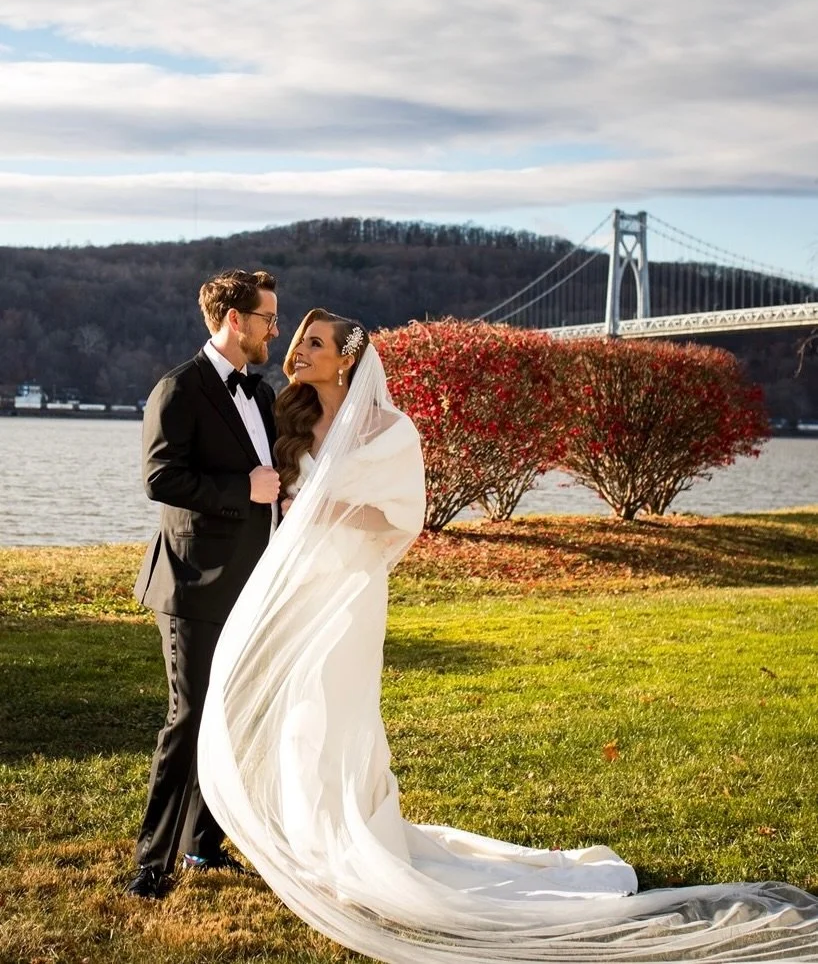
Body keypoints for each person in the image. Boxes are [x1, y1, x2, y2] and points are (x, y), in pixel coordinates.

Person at [197, 309, 818, 960]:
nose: (298, 352)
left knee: (339, 712)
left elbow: (400, 520)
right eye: (297, 341)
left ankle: (354, 838)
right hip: (293, 590)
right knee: (299, 716)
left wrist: (332, 513)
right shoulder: (285, 422)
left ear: (347, 358)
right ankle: (311, 839)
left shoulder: (389, 431)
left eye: (314, 344)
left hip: (350, 592)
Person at [125, 269, 281, 899]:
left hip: (252, 583)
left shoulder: (262, 393)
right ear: (234, 320)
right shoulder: (178, 389)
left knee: (231, 717)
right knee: (188, 719)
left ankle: (202, 848)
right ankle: (151, 863)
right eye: (268, 317)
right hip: (191, 583)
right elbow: (161, 479)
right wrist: (241, 491)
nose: (276, 329)